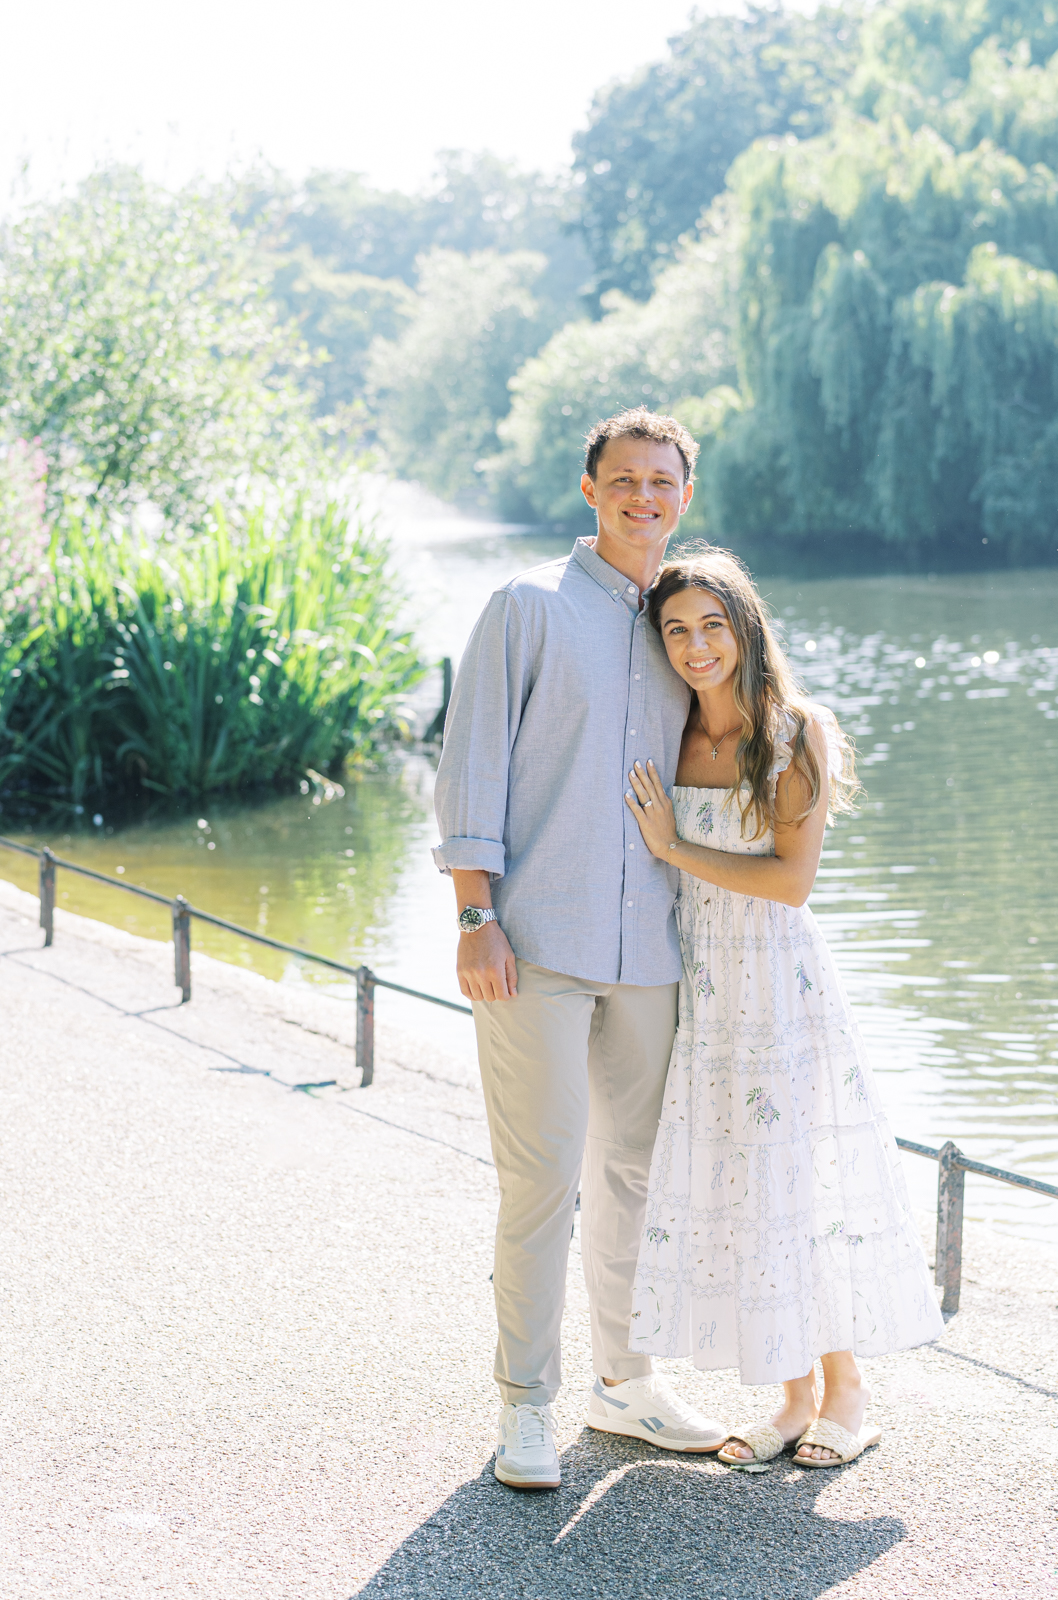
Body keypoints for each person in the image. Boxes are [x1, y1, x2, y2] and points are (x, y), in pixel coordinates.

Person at [432, 409, 729, 1491]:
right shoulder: (525, 608)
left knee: (634, 1176)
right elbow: (470, 767)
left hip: (648, 948)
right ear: (590, 489)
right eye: (624, 479)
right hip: (535, 943)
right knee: (541, 1179)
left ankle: (625, 1382)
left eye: (662, 481)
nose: (643, 496)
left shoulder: (681, 623)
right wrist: (475, 915)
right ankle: (525, 1403)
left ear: (682, 497)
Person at [624, 546, 944, 1468]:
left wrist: (672, 847)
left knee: (801, 1185)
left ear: (745, 628)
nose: (695, 646)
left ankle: (848, 1389)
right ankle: (794, 1394)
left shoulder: (794, 730)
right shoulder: (672, 734)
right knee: (743, 1188)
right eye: (677, 630)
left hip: (780, 990)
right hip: (708, 995)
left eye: (712, 625)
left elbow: (790, 883)